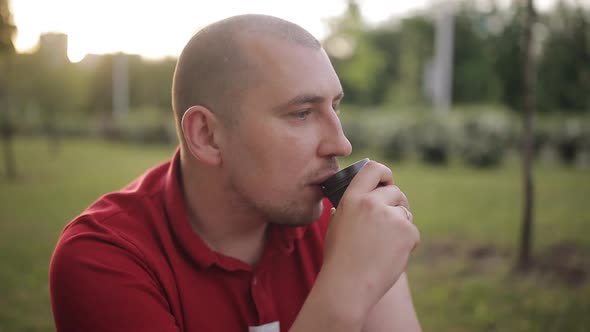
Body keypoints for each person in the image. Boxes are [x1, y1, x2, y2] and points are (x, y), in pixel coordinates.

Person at [49, 14, 422, 332]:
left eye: (335, 107)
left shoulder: (346, 226)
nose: (341, 145)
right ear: (207, 135)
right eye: (302, 113)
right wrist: (347, 289)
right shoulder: (102, 258)